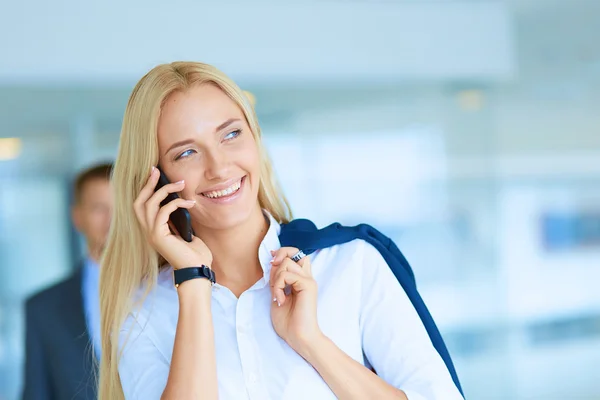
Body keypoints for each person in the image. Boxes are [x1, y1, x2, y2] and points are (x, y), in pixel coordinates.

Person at [99, 62, 464, 400]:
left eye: (230, 135)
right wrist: (193, 284)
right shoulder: (144, 311)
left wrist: (311, 341)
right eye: (186, 153)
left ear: (255, 138)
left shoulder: (351, 264)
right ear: (156, 180)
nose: (219, 167)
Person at [23, 162, 114, 400]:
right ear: (77, 217)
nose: (112, 219)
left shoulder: (170, 288)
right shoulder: (42, 308)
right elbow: (35, 393)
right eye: (98, 208)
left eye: (121, 207)